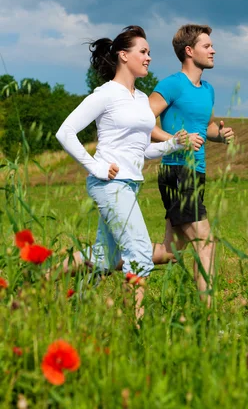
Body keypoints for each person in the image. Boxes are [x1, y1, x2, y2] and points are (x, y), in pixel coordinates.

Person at [55, 25, 187, 320]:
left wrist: (174, 145)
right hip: (109, 184)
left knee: (105, 257)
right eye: (143, 52)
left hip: (130, 184)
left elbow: (142, 151)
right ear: (123, 56)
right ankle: (134, 328)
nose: (149, 57)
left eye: (150, 52)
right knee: (139, 253)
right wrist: (96, 165)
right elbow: (65, 133)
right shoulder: (106, 94)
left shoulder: (141, 100)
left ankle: (39, 282)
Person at [149, 24, 234, 305]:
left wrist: (219, 136)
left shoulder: (207, 89)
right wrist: (176, 140)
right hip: (176, 170)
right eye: (207, 46)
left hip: (197, 172)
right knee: (205, 242)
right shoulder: (172, 84)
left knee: (171, 251)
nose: (213, 50)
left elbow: (203, 126)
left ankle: (100, 259)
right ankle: (208, 317)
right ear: (189, 51)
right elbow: (143, 121)